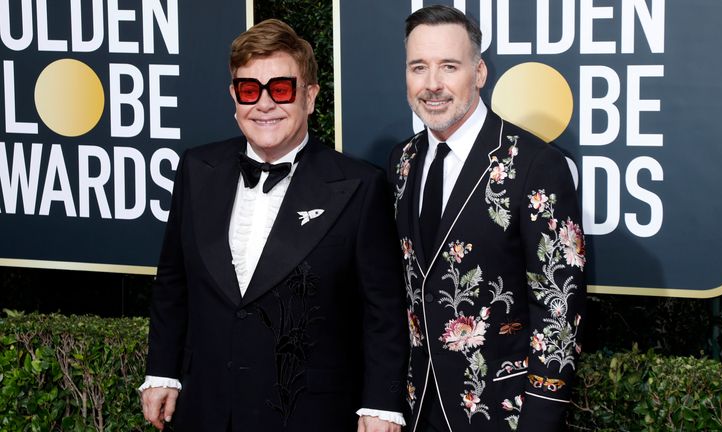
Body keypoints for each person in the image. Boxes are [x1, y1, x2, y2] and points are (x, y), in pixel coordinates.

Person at [140, 19, 408, 432]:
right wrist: (162, 372)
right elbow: (172, 283)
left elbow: (384, 312)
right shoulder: (197, 168)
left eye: (281, 89)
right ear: (234, 97)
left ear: (310, 96)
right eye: (250, 90)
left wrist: (381, 405)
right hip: (205, 410)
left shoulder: (358, 186)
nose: (264, 104)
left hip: (309, 416)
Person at [387, 5, 586, 432]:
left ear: (479, 73)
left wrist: (539, 420)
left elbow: (558, 306)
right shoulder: (402, 162)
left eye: (449, 67)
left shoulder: (534, 164)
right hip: (417, 408)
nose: (432, 84)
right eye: (418, 67)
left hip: (502, 413)